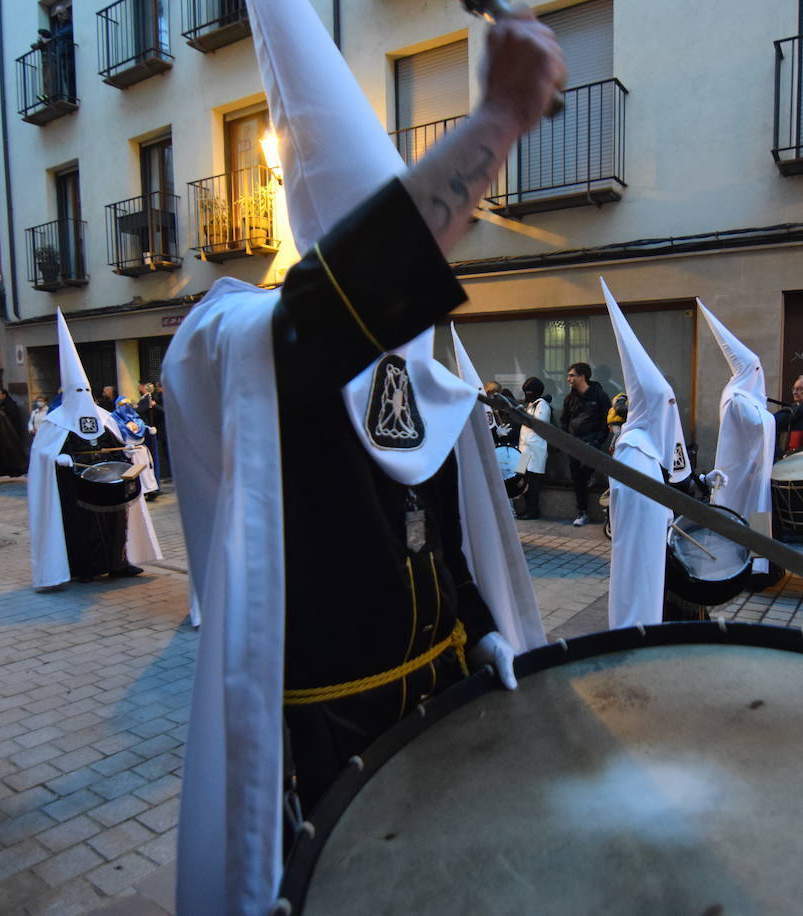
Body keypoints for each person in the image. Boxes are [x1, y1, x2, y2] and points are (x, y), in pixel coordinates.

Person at [162, 2, 561, 910]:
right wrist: (497, 118)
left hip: (442, 694)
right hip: (327, 733)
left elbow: (436, 522)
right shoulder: (236, 337)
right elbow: (325, 321)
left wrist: (480, 625)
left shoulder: (418, 362)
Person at [28, 311, 162, 588]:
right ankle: (85, 568)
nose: (83, 398)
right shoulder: (55, 421)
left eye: (85, 391)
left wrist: (124, 453)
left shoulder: (103, 416)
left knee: (116, 524)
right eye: (77, 391)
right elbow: (41, 454)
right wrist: (56, 458)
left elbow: (113, 443)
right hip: (74, 488)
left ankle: (118, 562)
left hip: (107, 484)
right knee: (82, 529)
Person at [602, 278, 691, 630]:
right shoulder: (634, 449)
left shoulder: (646, 446)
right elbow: (638, 509)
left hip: (654, 544)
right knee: (639, 602)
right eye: (667, 405)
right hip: (641, 551)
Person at [699, 304, 776, 577]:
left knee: (754, 514)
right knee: (744, 513)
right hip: (741, 472)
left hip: (750, 470)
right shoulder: (737, 398)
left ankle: (755, 564)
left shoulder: (742, 395)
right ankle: (742, 566)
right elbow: (757, 424)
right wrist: (776, 418)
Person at [560, 361, 611, 526]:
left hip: (592, 445)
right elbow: (564, 421)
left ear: (582, 377)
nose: (568, 379)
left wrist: (597, 441)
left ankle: (592, 475)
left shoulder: (599, 396)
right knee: (577, 479)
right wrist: (567, 440)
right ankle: (582, 512)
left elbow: (607, 422)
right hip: (574, 445)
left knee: (587, 472)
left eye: (571, 375)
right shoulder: (570, 398)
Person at [113, 396, 161, 502]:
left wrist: (149, 429)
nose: (126, 407)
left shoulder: (136, 419)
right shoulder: (115, 419)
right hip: (129, 451)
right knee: (136, 473)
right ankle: (139, 491)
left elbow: (143, 426)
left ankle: (150, 489)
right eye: (123, 405)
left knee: (147, 472)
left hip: (141, 449)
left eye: (128, 405)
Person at [515, 377, 551, 519]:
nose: (527, 394)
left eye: (529, 391)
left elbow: (538, 424)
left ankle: (533, 510)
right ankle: (526, 509)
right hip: (524, 450)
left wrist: (520, 415)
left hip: (534, 450)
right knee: (521, 480)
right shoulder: (531, 404)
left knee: (532, 482)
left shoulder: (541, 405)